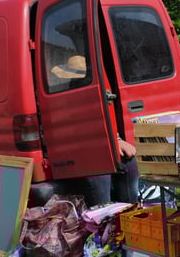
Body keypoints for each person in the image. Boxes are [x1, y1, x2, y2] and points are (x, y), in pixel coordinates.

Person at [52, 55, 139, 206]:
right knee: (100, 171)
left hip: (100, 146)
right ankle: (103, 214)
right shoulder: (62, 100)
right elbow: (73, 136)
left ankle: (129, 211)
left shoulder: (93, 97)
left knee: (129, 161)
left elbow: (104, 124)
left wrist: (117, 141)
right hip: (78, 152)